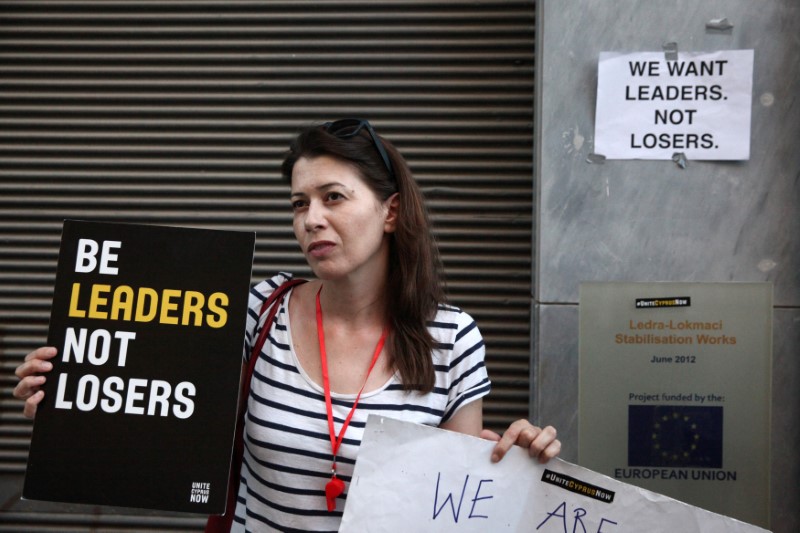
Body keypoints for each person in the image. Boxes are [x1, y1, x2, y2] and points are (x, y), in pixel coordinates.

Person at [15, 118, 561, 532]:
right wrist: (75, 405)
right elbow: (164, 416)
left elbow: (452, 511)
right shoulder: (257, 312)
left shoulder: (452, 338)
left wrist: (513, 464)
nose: (311, 219)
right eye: (299, 203)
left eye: (333, 198)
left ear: (391, 212)